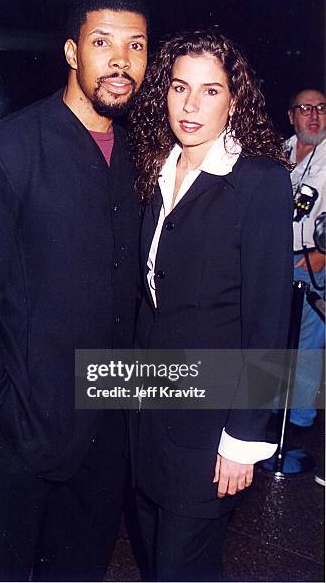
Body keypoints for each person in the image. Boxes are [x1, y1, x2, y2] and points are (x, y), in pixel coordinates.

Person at [0, 0, 148, 582]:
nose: (120, 61)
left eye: (134, 46)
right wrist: (0, 410)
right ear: (71, 52)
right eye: (102, 42)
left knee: (79, 569)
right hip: (22, 428)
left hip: (105, 430)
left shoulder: (142, 153)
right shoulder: (12, 148)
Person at [128, 30, 293, 581]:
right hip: (149, 415)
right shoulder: (155, 171)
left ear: (234, 100)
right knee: (156, 557)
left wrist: (245, 439)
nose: (191, 106)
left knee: (181, 567)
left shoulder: (260, 183)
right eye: (179, 88)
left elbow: (269, 321)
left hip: (210, 427)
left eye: (210, 91)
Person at [285, 89, 326, 430]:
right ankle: (273, 414)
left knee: (307, 346)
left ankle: (297, 422)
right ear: (291, 115)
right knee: (277, 338)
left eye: (321, 108)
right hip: (277, 259)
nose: (313, 115)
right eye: (305, 108)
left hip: (314, 263)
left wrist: (322, 254)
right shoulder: (280, 150)